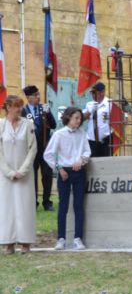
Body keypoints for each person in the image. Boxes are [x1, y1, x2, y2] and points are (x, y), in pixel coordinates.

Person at [44, 107, 91, 250]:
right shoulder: (59, 134)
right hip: (64, 173)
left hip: (79, 172)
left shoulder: (82, 134)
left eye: (80, 118)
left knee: (78, 205)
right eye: (76, 118)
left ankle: (78, 238)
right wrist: (59, 168)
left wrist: (81, 160)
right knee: (63, 206)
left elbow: (87, 151)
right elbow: (48, 154)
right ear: (68, 117)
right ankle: (61, 239)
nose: (79, 120)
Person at [0, 95, 38, 254]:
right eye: (17, 106)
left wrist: (22, 170)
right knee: (6, 207)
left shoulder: (28, 124)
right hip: (5, 175)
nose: (20, 109)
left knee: (25, 207)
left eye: (21, 106)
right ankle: (8, 242)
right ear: (8, 107)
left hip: (25, 175)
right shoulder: (1, 125)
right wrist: (9, 172)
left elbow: (33, 149)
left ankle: (25, 243)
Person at [21, 85, 57, 211]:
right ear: (28, 97)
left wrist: (48, 113)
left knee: (47, 175)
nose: (38, 97)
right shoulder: (23, 111)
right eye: (35, 95)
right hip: (31, 149)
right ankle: (33, 202)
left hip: (45, 147)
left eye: (38, 94)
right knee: (32, 176)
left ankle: (47, 202)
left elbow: (53, 125)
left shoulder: (44, 108)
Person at [83, 82, 111, 157]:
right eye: (92, 93)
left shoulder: (110, 103)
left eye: (95, 93)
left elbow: (120, 118)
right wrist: (89, 111)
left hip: (105, 141)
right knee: (92, 161)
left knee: (105, 161)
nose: (93, 95)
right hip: (91, 140)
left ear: (102, 92)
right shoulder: (89, 104)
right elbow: (82, 118)